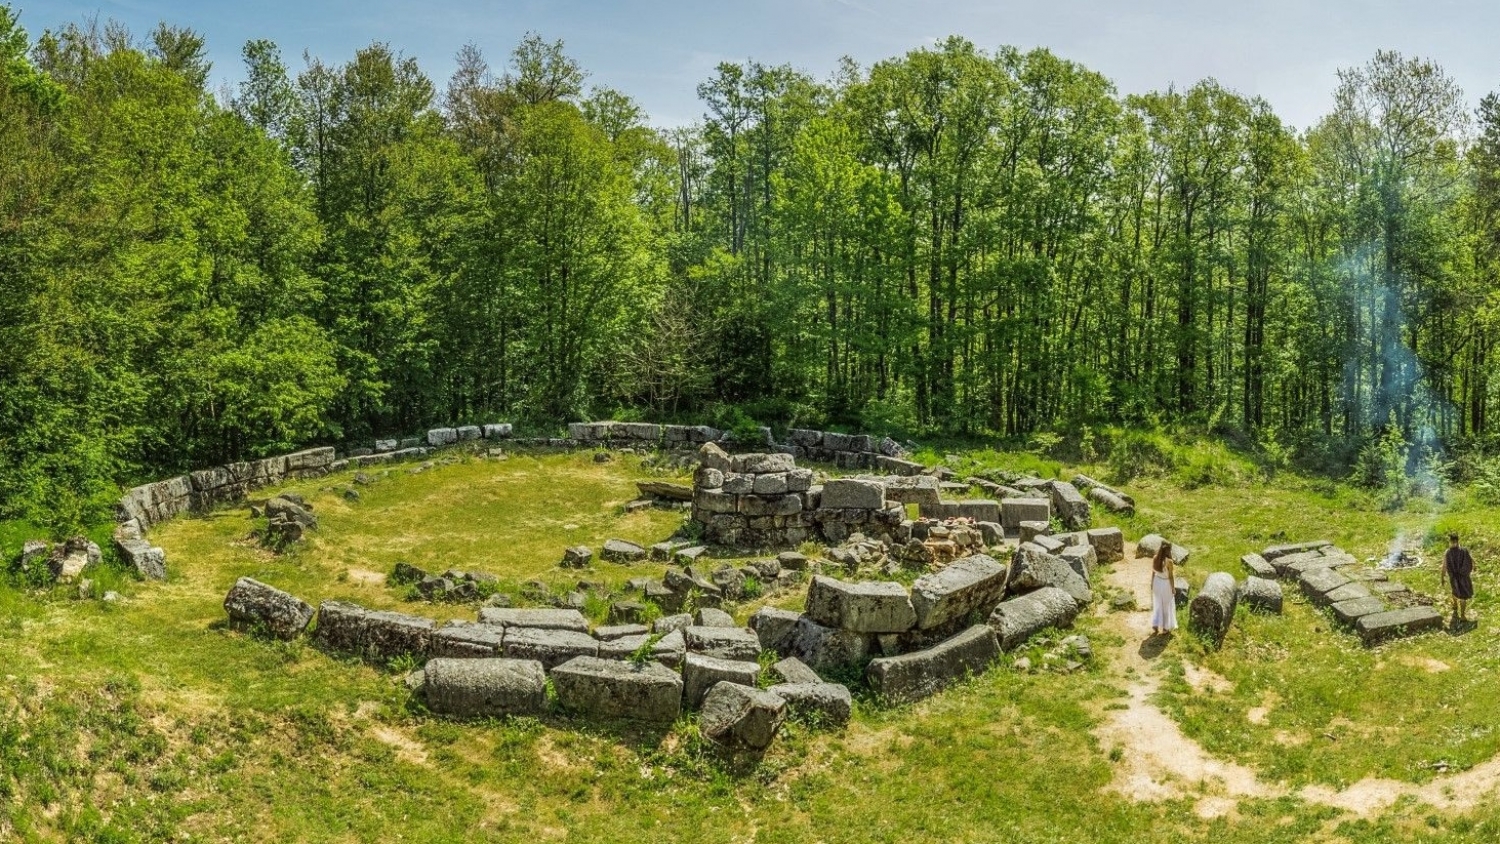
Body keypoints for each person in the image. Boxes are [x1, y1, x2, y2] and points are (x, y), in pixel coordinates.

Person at [1440, 532, 1475, 624]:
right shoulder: (1464, 550)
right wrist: (1473, 567)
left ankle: (1455, 605)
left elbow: (1444, 566)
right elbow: (1471, 560)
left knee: (1455, 591)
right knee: (1463, 597)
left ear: (1451, 541)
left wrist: (1442, 577)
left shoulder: (1447, 553)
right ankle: (1462, 615)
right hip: (1464, 577)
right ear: (1458, 540)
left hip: (1454, 578)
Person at [1150, 542, 1178, 636]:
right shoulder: (1169, 562)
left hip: (1157, 582)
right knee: (1166, 606)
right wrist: (1173, 588)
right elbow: (1170, 577)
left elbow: (1153, 573)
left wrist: (1152, 583)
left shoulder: (1155, 558)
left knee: (1157, 604)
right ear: (1168, 550)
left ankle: (1156, 624)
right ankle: (1165, 628)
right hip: (1165, 584)